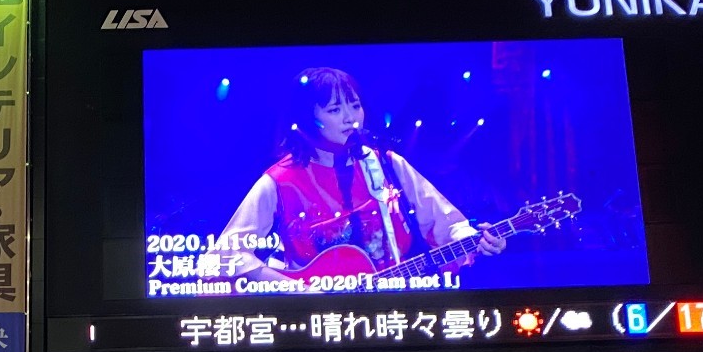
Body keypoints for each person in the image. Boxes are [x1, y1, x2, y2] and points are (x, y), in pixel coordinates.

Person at [214, 67, 508, 286]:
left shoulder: (387, 165)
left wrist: (474, 239)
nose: (350, 117)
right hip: (314, 324)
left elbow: (448, 224)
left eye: (355, 105)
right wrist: (292, 289)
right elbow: (226, 254)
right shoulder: (280, 180)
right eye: (334, 109)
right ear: (307, 119)